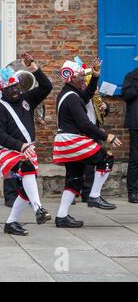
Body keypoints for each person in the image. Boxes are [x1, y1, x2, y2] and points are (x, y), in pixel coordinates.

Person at [53, 57, 122, 228]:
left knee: (74, 179)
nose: (84, 79)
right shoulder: (72, 98)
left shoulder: (69, 94)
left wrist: (96, 74)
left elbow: (87, 94)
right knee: (106, 158)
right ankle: (94, 196)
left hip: (65, 140)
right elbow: (85, 124)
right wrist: (107, 136)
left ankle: (61, 217)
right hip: (71, 140)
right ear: (71, 78)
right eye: (81, 76)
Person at [0, 53, 53, 236]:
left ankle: (11, 223)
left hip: (26, 151)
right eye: (11, 89)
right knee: (26, 169)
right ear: (3, 90)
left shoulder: (27, 100)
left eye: (17, 87)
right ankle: (39, 209)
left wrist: (33, 67)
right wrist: (20, 146)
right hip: (7, 151)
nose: (16, 91)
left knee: (26, 190)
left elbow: (47, 86)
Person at [81, 72, 110, 203]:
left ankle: (87, 193)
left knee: (90, 165)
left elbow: (102, 112)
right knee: (75, 165)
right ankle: (73, 192)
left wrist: (105, 107)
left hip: (94, 131)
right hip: (82, 131)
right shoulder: (81, 95)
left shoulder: (96, 96)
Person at [122, 65, 138, 203]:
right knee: (135, 159)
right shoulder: (131, 76)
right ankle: (133, 192)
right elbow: (126, 96)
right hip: (136, 123)